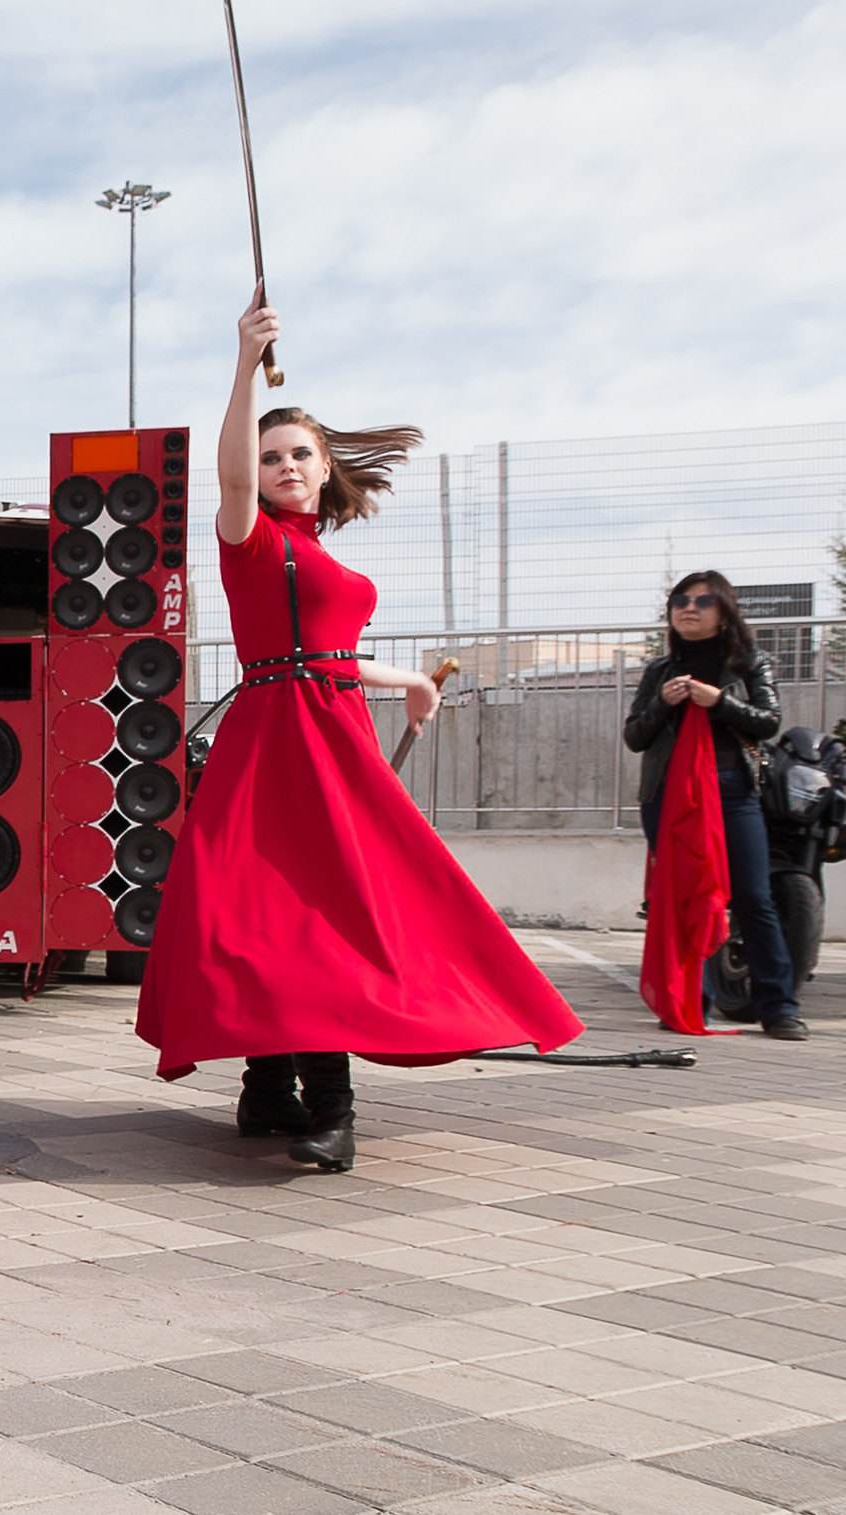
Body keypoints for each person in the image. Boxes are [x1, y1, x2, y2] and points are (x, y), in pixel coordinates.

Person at [136, 295, 583, 1172]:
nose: (284, 466)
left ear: (325, 462)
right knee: (271, 914)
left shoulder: (324, 555)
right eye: (270, 457)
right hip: (275, 744)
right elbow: (226, 483)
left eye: (300, 452)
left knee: (325, 913)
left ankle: (279, 1093)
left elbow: (331, 655)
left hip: (333, 740)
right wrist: (239, 362)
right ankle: (302, 1096)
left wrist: (408, 678)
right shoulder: (250, 539)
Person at [623, 571, 797, 1039]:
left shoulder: (748, 663)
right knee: (680, 899)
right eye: (681, 599)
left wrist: (720, 702)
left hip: (733, 793)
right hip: (668, 797)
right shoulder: (660, 670)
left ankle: (778, 1008)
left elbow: (770, 723)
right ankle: (688, 1003)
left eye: (702, 600)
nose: (689, 607)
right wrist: (662, 703)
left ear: (724, 613)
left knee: (752, 898)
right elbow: (635, 736)